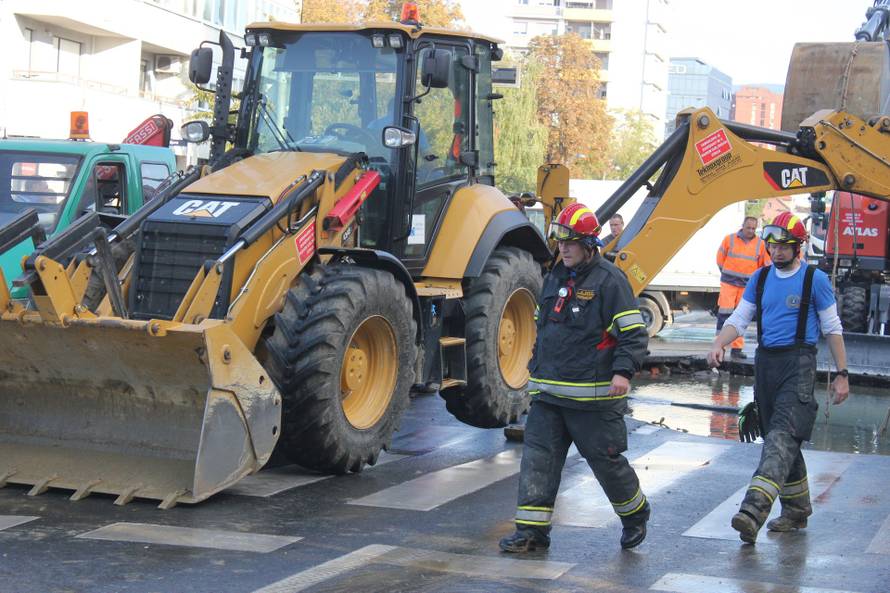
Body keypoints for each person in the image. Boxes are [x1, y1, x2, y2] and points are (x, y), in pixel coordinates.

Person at [499, 203, 650, 553]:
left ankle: (635, 514)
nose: (563, 248)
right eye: (560, 242)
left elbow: (633, 333)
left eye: (570, 242)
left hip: (592, 401)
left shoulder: (610, 281)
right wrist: (536, 368)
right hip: (549, 397)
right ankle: (531, 533)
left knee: (606, 463)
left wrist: (623, 372)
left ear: (589, 244)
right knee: (538, 462)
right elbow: (544, 327)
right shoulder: (555, 276)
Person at [707, 212, 850, 544]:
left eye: (784, 246)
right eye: (772, 245)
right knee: (785, 439)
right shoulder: (759, 278)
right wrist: (719, 343)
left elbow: (833, 329)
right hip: (766, 367)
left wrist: (842, 374)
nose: (777, 252)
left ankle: (753, 511)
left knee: (780, 440)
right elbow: (740, 319)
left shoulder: (815, 280)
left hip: (798, 366)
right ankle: (797, 510)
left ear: (798, 247)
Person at [715, 216, 769, 359]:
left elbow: (765, 265)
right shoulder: (730, 239)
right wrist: (727, 273)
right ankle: (718, 346)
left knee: (741, 317)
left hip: (746, 286)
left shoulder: (760, 244)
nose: (751, 230)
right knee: (724, 316)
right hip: (729, 283)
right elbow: (719, 259)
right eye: (748, 227)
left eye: (753, 228)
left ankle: (737, 349)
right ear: (742, 226)